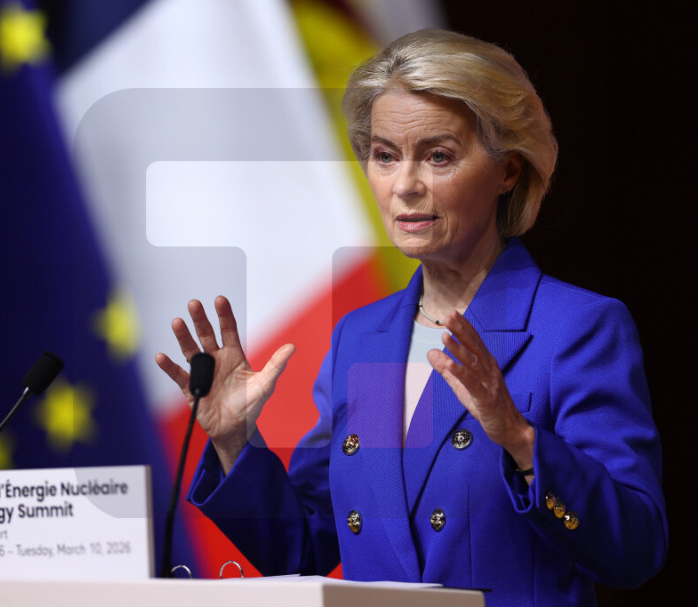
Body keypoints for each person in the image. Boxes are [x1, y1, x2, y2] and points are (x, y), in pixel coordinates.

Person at [155, 29, 667, 606]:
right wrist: (233, 442)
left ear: (508, 170)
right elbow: (300, 551)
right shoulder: (361, 338)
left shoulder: (576, 329)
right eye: (385, 156)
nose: (404, 185)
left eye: (438, 156)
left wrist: (521, 440)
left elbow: (636, 550)